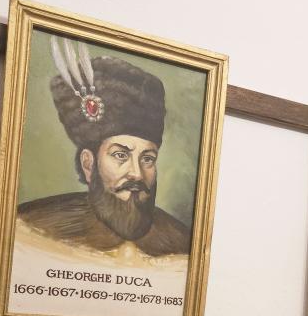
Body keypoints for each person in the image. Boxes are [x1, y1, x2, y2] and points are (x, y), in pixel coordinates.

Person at [16, 39, 190, 256]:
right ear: (89, 164)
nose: (137, 173)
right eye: (121, 155)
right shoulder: (27, 229)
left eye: (147, 159)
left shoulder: (182, 244)